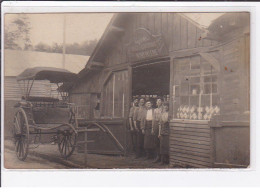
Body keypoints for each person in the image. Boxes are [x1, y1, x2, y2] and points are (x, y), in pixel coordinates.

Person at [152, 98, 164, 163]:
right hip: (156, 125)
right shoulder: (155, 110)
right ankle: (158, 156)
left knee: (161, 142)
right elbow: (153, 119)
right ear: (156, 103)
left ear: (162, 102)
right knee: (156, 142)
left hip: (162, 125)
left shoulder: (163, 109)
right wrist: (152, 128)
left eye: (160, 100)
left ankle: (162, 158)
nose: (159, 102)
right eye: (158, 101)